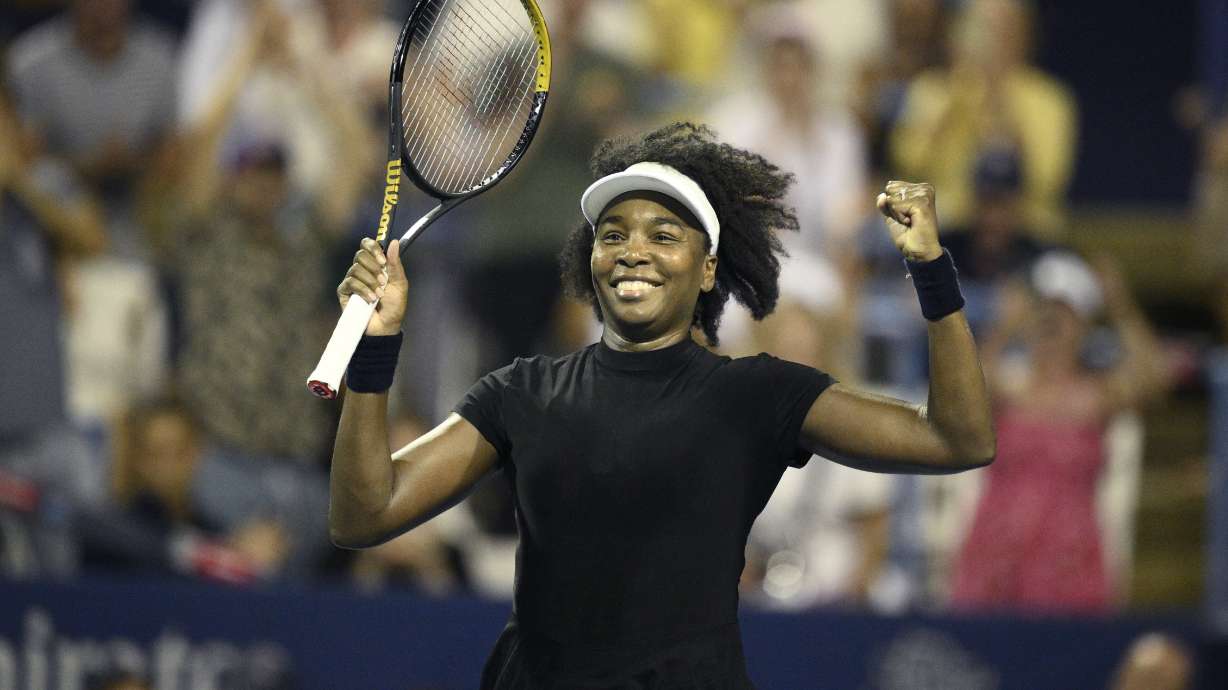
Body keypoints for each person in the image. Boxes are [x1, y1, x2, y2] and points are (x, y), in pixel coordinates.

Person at [327, 123, 994, 687]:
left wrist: (932, 270)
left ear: (708, 269)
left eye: (665, 236)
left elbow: (957, 439)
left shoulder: (755, 394)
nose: (633, 252)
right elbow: (365, 514)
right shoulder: (521, 392)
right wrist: (376, 348)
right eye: (613, 234)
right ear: (592, 257)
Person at [949, 251, 1168, 614]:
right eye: (1042, 311)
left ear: (1083, 326)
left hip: (1070, 561)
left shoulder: (1096, 397)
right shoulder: (1009, 389)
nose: (1050, 321)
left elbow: (1153, 378)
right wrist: (1003, 326)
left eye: (1063, 313)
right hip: (995, 556)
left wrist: (1121, 308)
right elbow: (960, 386)